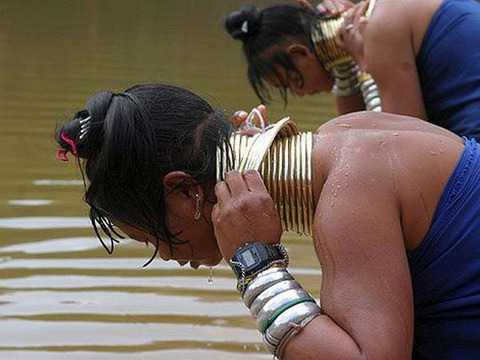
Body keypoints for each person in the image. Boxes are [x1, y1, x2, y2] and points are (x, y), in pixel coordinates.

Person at [56, 84, 480, 359]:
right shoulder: (346, 136)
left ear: (185, 191)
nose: (167, 257)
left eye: (152, 238)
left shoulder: (348, 190)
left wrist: (255, 264)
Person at [225, 0, 480, 140]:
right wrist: (348, 61)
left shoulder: (380, 27)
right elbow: (355, 135)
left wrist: (364, 65)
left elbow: (405, 140)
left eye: (293, 81)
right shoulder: (376, 19)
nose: (300, 93)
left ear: (300, 53)